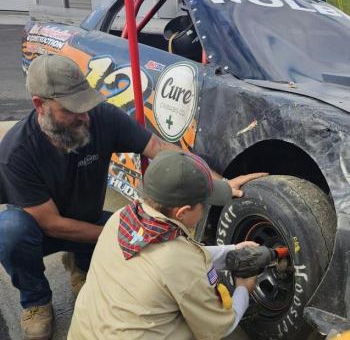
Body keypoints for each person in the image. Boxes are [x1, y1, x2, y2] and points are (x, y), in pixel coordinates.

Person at [0, 54, 265, 340]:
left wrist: (220, 185)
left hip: (87, 218)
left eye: (86, 105)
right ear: (40, 105)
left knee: (124, 244)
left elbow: (160, 148)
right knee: (10, 231)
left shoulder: (100, 118)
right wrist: (125, 237)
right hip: (42, 230)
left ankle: (82, 265)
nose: (85, 116)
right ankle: (36, 300)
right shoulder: (17, 152)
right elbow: (52, 224)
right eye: (72, 109)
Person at [68, 150, 258, 339]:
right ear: (182, 212)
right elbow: (220, 328)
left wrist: (232, 251)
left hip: (85, 332)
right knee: (198, 320)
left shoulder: (121, 218)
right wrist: (243, 288)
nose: (204, 211)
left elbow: (169, 261)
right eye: (204, 205)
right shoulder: (178, 262)